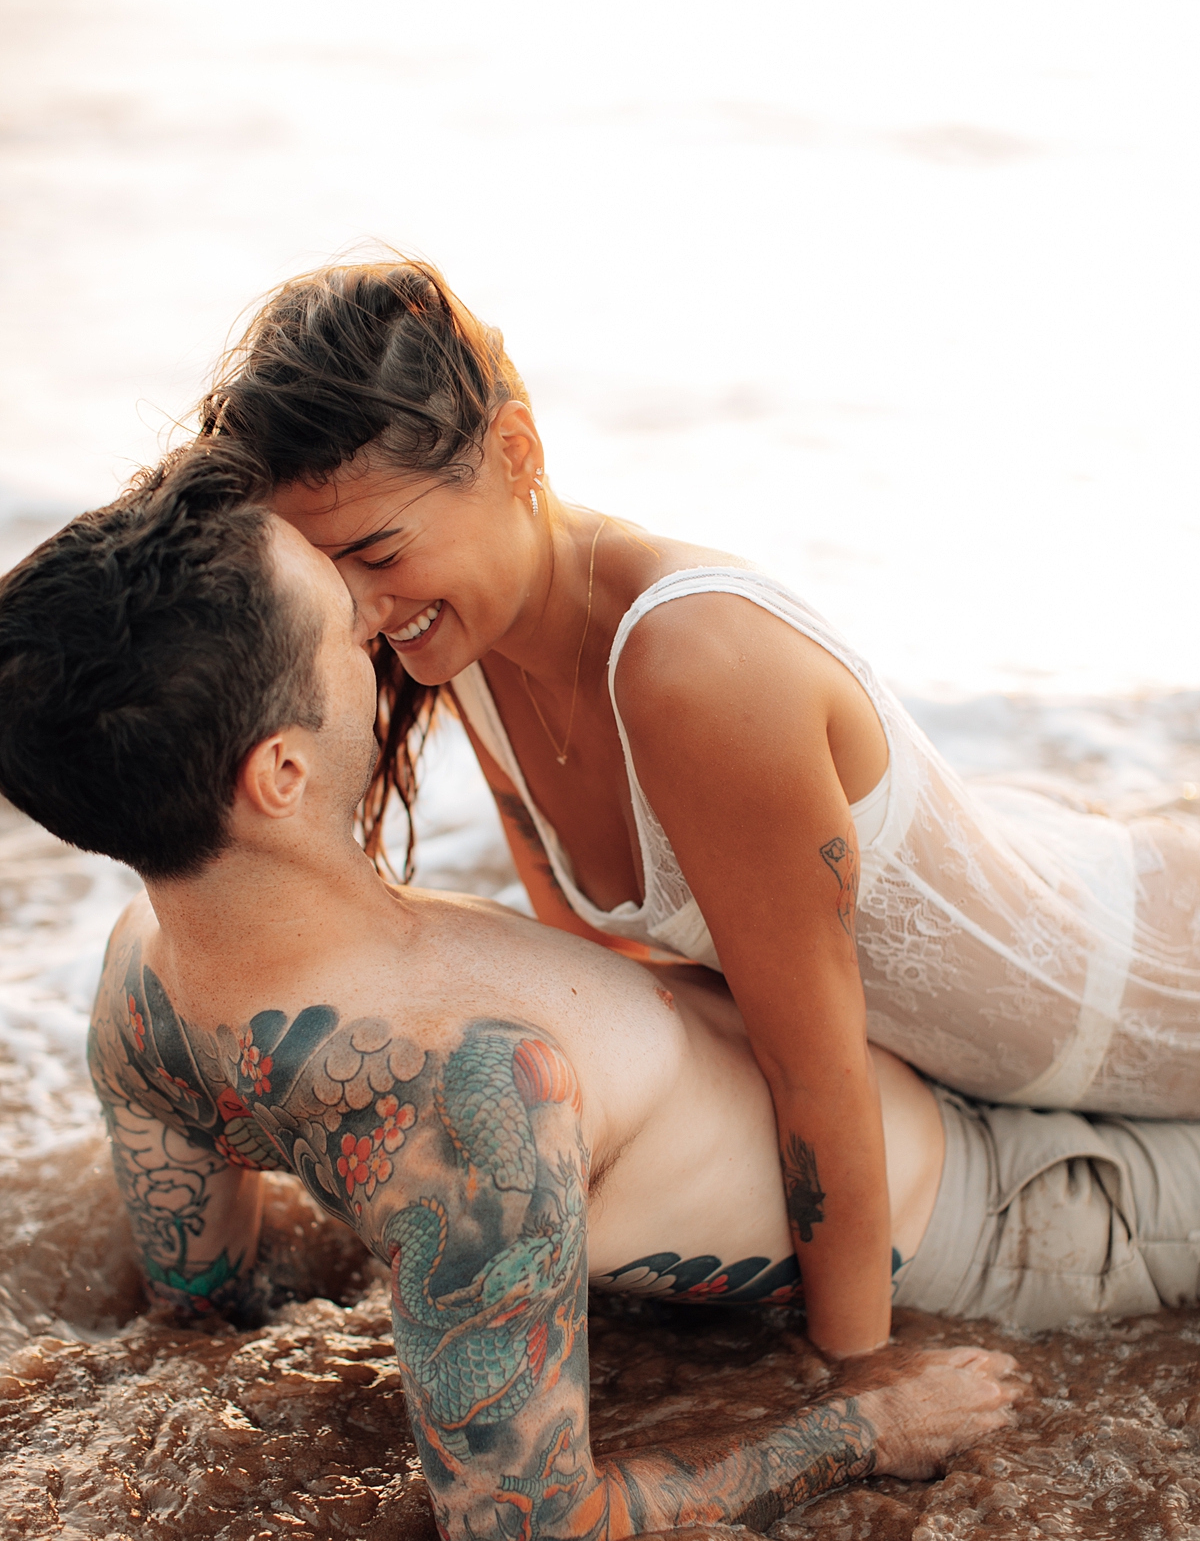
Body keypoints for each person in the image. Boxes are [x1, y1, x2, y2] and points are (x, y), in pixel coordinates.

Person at [0, 451, 1028, 1541]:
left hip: (923, 1092)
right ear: (280, 772)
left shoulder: (139, 984)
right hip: (997, 1209)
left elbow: (206, 1307)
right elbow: (522, 1531)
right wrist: (867, 1426)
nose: (372, 616)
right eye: (338, 622)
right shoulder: (470, 1089)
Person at [191, 257, 1200, 1364]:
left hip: (1143, 997)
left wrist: (853, 1381)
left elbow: (814, 1076)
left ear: (517, 452)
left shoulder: (695, 671)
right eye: (325, 569)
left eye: (379, 551)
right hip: (1017, 940)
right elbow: (612, 965)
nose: (360, 610)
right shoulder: (466, 646)